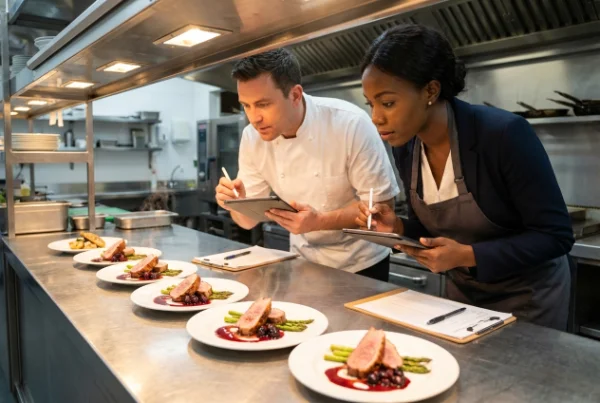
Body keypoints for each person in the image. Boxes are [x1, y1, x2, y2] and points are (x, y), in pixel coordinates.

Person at [356, 24, 574, 330]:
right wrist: (398, 226)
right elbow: (439, 226)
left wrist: (468, 255)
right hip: (463, 298)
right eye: (371, 103)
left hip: (529, 301)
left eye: (388, 103)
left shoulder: (502, 134)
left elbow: (556, 235)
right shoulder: (406, 147)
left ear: (430, 91)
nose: (376, 117)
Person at [215, 48, 400, 280]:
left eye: (263, 104)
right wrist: (237, 204)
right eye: (246, 105)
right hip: (303, 263)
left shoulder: (349, 123)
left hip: (361, 264)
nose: (254, 118)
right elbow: (248, 222)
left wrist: (319, 222)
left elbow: (382, 208)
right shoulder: (252, 137)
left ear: (294, 95)